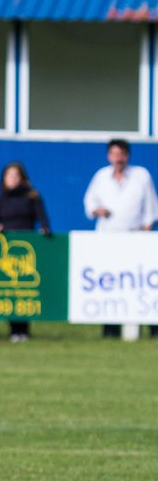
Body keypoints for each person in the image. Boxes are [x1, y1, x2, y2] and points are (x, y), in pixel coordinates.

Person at [83, 138, 158, 338]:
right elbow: (89, 202)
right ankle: (111, 328)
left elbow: (151, 206)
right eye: (114, 154)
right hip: (109, 239)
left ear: (128, 155)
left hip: (135, 237)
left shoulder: (141, 176)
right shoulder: (101, 177)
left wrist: (147, 229)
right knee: (111, 283)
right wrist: (97, 210)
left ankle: (151, 326)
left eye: (122, 154)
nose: (118, 159)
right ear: (109, 156)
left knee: (141, 282)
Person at [0, 162, 51, 342]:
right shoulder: (1, 199)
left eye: (16, 176)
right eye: (10, 176)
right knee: (10, 289)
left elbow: (42, 218)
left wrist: (45, 229)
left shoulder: (32, 196)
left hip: (26, 248)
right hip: (8, 248)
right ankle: (13, 329)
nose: (13, 179)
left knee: (25, 288)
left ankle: (24, 328)